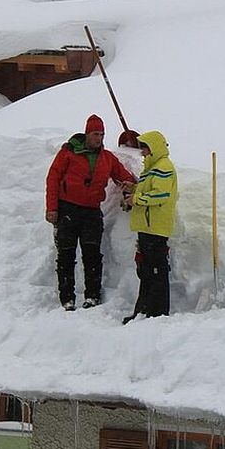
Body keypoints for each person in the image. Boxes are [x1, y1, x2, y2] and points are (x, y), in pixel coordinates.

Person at [45, 114, 136, 311]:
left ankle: (92, 295)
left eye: (102, 134)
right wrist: (52, 207)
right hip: (67, 209)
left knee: (92, 254)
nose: (99, 138)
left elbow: (123, 176)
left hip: (92, 211)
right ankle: (67, 297)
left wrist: (136, 186)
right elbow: (53, 178)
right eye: (96, 134)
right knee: (66, 254)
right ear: (87, 133)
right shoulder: (68, 153)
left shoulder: (107, 158)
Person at [123, 130, 178, 324]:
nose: (142, 152)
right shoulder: (151, 168)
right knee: (146, 271)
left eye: (144, 148)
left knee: (156, 272)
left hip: (156, 227)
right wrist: (134, 189)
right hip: (147, 227)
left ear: (153, 148)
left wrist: (136, 198)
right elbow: (149, 190)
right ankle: (144, 311)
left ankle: (157, 314)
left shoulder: (163, 167)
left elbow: (161, 195)